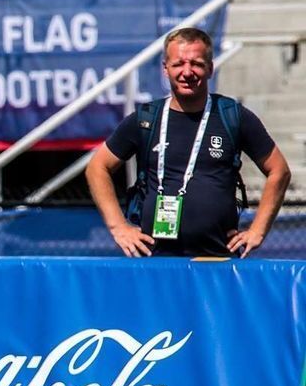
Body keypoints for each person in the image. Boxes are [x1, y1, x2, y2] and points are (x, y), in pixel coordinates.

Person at [87, 27, 290, 258]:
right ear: (165, 69)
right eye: (178, 64)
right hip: (156, 262)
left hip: (217, 261)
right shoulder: (146, 118)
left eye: (196, 64)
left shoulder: (233, 116)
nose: (187, 72)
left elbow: (279, 171)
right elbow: (97, 167)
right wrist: (118, 227)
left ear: (210, 68)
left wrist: (257, 231)